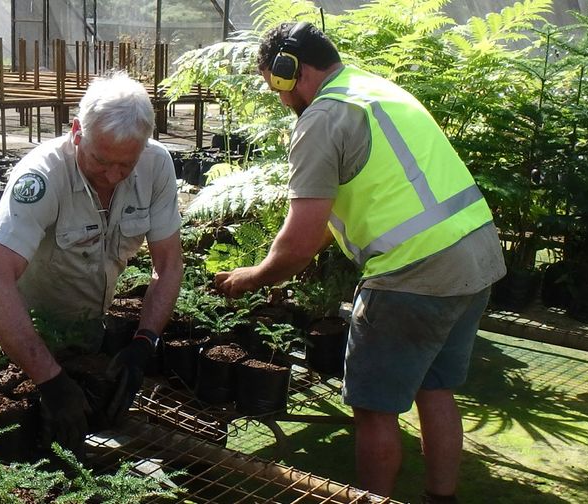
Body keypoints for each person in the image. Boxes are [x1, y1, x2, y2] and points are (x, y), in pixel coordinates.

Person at [212, 22, 505, 503]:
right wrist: (296, 255)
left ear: (291, 69)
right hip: (475, 260)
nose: (282, 101)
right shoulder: (375, 89)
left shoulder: (323, 117)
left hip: (413, 274)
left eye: (278, 86)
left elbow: (303, 235)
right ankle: (442, 497)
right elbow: (357, 207)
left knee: (372, 411)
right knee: (436, 389)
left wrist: (255, 275)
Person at [0, 71, 183, 451]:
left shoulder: (156, 165)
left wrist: (144, 342)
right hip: (21, 338)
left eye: (126, 164)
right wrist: (49, 380)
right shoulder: (41, 176)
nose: (114, 175)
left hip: (87, 334)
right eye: (102, 161)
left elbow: (168, 264)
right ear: (77, 131)